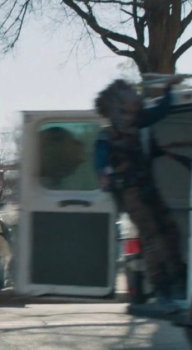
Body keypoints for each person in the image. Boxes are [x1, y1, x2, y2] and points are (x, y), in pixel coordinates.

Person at [93, 76, 188, 307]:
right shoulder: (108, 136)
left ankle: (177, 278)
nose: (135, 100)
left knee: (169, 231)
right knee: (153, 238)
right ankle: (162, 286)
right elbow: (100, 161)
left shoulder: (136, 125)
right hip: (132, 193)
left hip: (146, 187)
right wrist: (104, 174)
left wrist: (167, 89)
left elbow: (162, 111)